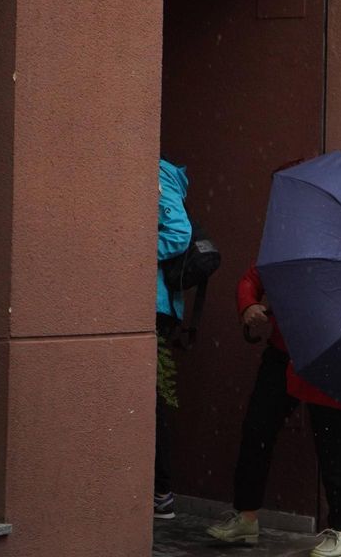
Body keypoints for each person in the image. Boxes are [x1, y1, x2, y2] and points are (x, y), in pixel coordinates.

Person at [205, 264, 341, 557]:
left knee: (334, 446)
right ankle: (247, 516)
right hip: (283, 354)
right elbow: (251, 277)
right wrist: (248, 304)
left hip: (331, 360)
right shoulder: (290, 248)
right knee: (257, 430)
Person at [154, 157, 192, 520]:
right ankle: (159, 489)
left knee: (155, 399)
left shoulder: (157, 172)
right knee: (155, 398)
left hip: (156, 308)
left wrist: (136, 253)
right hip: (154, 305)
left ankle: (161, 490)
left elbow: (179, 233)